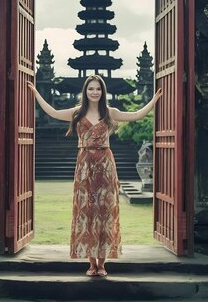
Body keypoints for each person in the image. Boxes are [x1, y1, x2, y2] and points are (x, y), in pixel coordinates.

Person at [27, 74, 162, 277]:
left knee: (105, 210)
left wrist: (153, 100)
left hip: (106, 164)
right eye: (91, 88)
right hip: (84, 165)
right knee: (87, 210)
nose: (95, 92)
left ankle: (102, 263)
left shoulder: (110, 112)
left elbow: (136, 115)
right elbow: (53, 112)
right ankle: (91, 263)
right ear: (85, 91)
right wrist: (36, 92)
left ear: (103, 91)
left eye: (98, 88)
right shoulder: (76, 113)